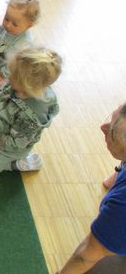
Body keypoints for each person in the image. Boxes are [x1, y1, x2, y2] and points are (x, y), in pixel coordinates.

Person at [57, 103, 126, 274]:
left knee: (94, 265)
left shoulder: (121, 206)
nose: (103, 127)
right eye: (111, 118)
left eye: (112, 131)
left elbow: (85, 256)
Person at [0, 47, 61, 172]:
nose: (8, 76)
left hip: (7, 149)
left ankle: (15, 163)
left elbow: (16, 144)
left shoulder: (32, 115)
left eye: (12, 75)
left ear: (26, 85)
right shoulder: (16, 85)